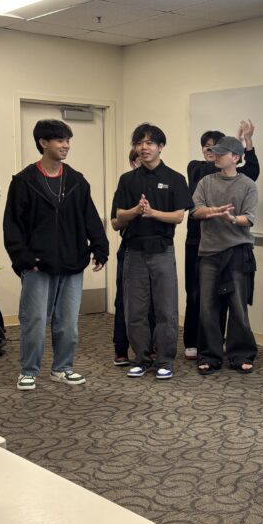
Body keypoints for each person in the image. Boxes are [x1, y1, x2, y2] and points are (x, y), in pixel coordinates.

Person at [3, 119, 109, 391]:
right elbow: (12, 226)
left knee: (68, 324)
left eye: (68, 140)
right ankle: (29, 371)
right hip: (38, 265)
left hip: (72, 262)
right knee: (34, 322)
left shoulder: (76, 180)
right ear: (43, 143)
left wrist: (100, 246)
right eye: (60, 140)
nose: (66, 146)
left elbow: (90, 217)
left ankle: (62, 368)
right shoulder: (24, 181)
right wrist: (25, 259)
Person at [111, 124, 190, 380]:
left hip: (162, 251)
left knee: (166, 309)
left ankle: (165, 360)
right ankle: (141, 359)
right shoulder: (127, 179)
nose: (144, 147)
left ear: (160, 147)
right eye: (139, 143)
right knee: (135, 309)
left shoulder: (175, 178)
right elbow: (116, 220)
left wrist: (151, 212)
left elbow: (178, 217)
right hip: (134, 251)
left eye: (149, 143)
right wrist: (135, 211)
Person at [183, 121, 260, 359]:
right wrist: (212, 211)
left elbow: (249, 213)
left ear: (235, 158)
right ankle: (205, 351)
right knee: (203, 301)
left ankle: (239, 352)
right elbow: (195, 209)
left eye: (218, 151)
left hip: (236, 248)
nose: (212, 154)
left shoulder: (246, 183)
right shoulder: (200, 172)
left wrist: (246, 143)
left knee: (237, 304)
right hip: (204, 247)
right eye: (209, 149)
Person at [111, 148, 155, 365]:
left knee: (154, 302)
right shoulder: (126, 184)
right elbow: (115, 223)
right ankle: (121, 348)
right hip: (130, 248)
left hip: (156, 250)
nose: (142, 165)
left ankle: (151, 347)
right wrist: (135, 211)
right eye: (138, 161)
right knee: (124, 301)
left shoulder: (161, 183)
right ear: (132, 163)